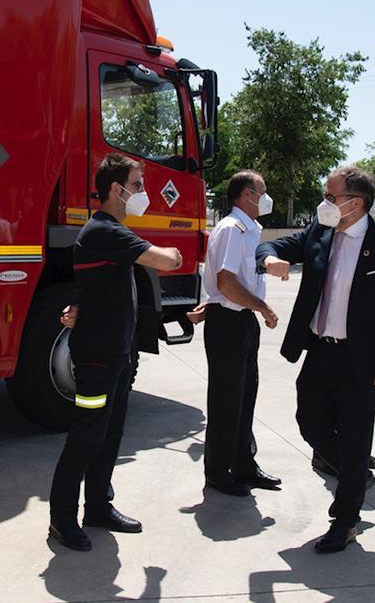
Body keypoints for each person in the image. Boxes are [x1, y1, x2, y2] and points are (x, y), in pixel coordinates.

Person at [257, 166, 375, 553]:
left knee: (357, 435)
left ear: (355, 203)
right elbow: (272, 246)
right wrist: (268, 260)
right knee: (309, 423)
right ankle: (354, 470)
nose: (324, 203)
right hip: (321, 351)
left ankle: (345, 520)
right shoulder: (320, 233)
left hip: (363, 361)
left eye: (331, 196)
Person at [48, 153, 182, 552]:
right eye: (138, 185)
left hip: (118, 354)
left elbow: (96, 290)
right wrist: (173, 252)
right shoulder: (104, 231)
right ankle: (61, 518)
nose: (143, 193)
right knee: (87, 436)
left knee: (110, 434)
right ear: (115, 189)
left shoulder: (111, 233)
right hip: (96, 358)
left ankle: (98, 507)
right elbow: (168, 260)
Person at [199, 170, 282, 497]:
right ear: (247, 195)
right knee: (226, 402)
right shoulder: (232, 230)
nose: (266, 197)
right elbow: (226, 284)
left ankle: (244, 465)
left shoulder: (248, 230)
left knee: (245, 397)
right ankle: (218, 472)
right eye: (263, 191)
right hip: (229, 323)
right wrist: (263, 307)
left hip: (242, 321)